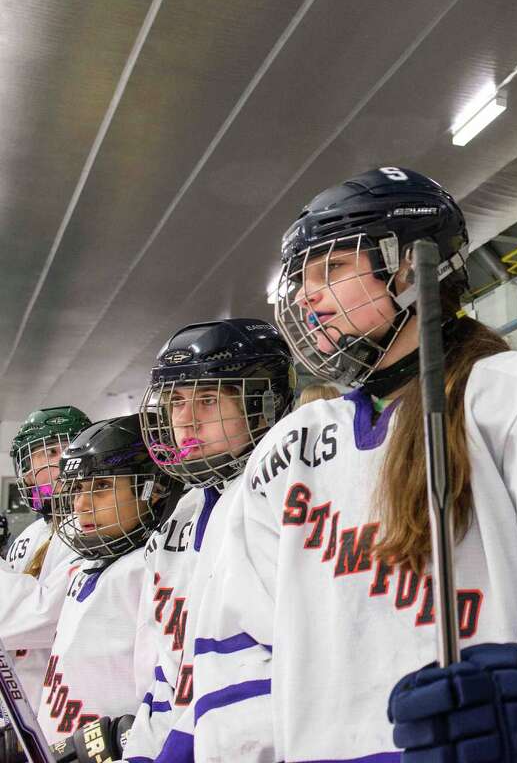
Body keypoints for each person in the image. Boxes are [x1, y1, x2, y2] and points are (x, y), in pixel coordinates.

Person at [188, 167, 517, 762]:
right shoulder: (286, 452)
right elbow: (236, 642)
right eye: (303, 277)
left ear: (411, 266)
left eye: (331, 269)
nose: (308, 295)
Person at [67, 319, 297, 763]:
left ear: (262, 404)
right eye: (174, 403)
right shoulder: (182, 515)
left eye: (207, 400)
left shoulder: (284, 496)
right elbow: (168, 670)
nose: (185, 420)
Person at [40, 414, 183, 743]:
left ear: (155, 488)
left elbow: (164, 694)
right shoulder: (84, 567)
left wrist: (125, 740)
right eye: (78, 490)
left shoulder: (149, 571)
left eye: (101, 487)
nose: (81, 505)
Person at [4, 406, 92, 700]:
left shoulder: (91, 526)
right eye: (50, 453)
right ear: (27, 475)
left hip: (64, 696)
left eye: (68, 449)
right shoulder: (31, 536)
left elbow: (42, 618)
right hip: (22, 696)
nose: (63, 461)